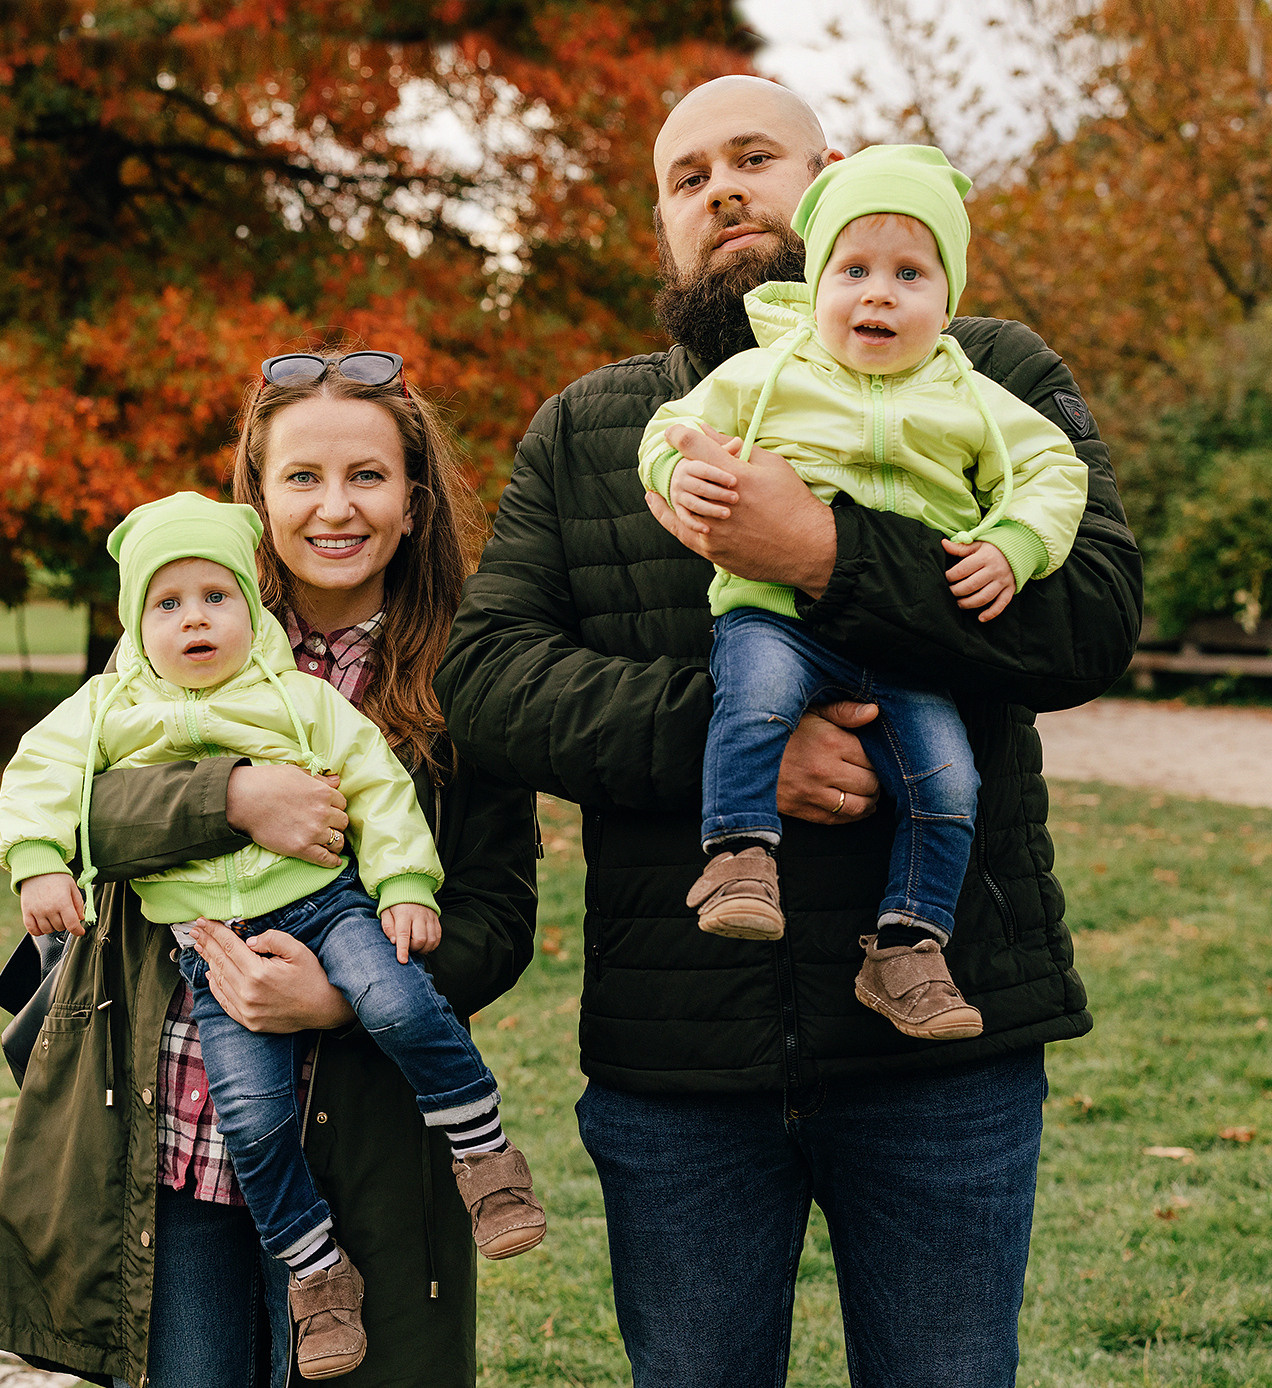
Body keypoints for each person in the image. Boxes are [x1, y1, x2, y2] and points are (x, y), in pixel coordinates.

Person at [436, 75, 1141, 1387]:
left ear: (826, 176)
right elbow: (487, 677)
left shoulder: (991, 373)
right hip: (680, 1061)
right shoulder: (595, 432)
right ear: (661, 222)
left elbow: (1094, 615)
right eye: (687, 177)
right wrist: (734, 734)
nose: (723, 194)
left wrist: (822, 551)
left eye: (753, 158)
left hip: (947, 1049)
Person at [0, 349, 538, 1388]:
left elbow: (496, 919)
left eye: (365, 476)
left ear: (411, 501)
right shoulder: (180, 634)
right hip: (178, 1125)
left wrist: (335, 999)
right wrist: (229, 795)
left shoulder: (469, 675)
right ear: (258, 497)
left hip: (363, 1129)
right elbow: (80, 801)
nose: (335, 507)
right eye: (301, 477)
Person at [637, 144, 1089, 1041]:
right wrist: (673, 471)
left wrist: (1013, 542)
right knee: (756, 698)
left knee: (947, 782)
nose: (878, 293)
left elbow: (1051, 468)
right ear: (819, 280)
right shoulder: (773, 369)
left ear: (947, 300)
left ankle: (909, 946)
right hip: (777, 614)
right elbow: (675, 427)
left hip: (906, 642)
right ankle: (736, 855)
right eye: (854, 270)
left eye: (910, 273)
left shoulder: (972, 391)